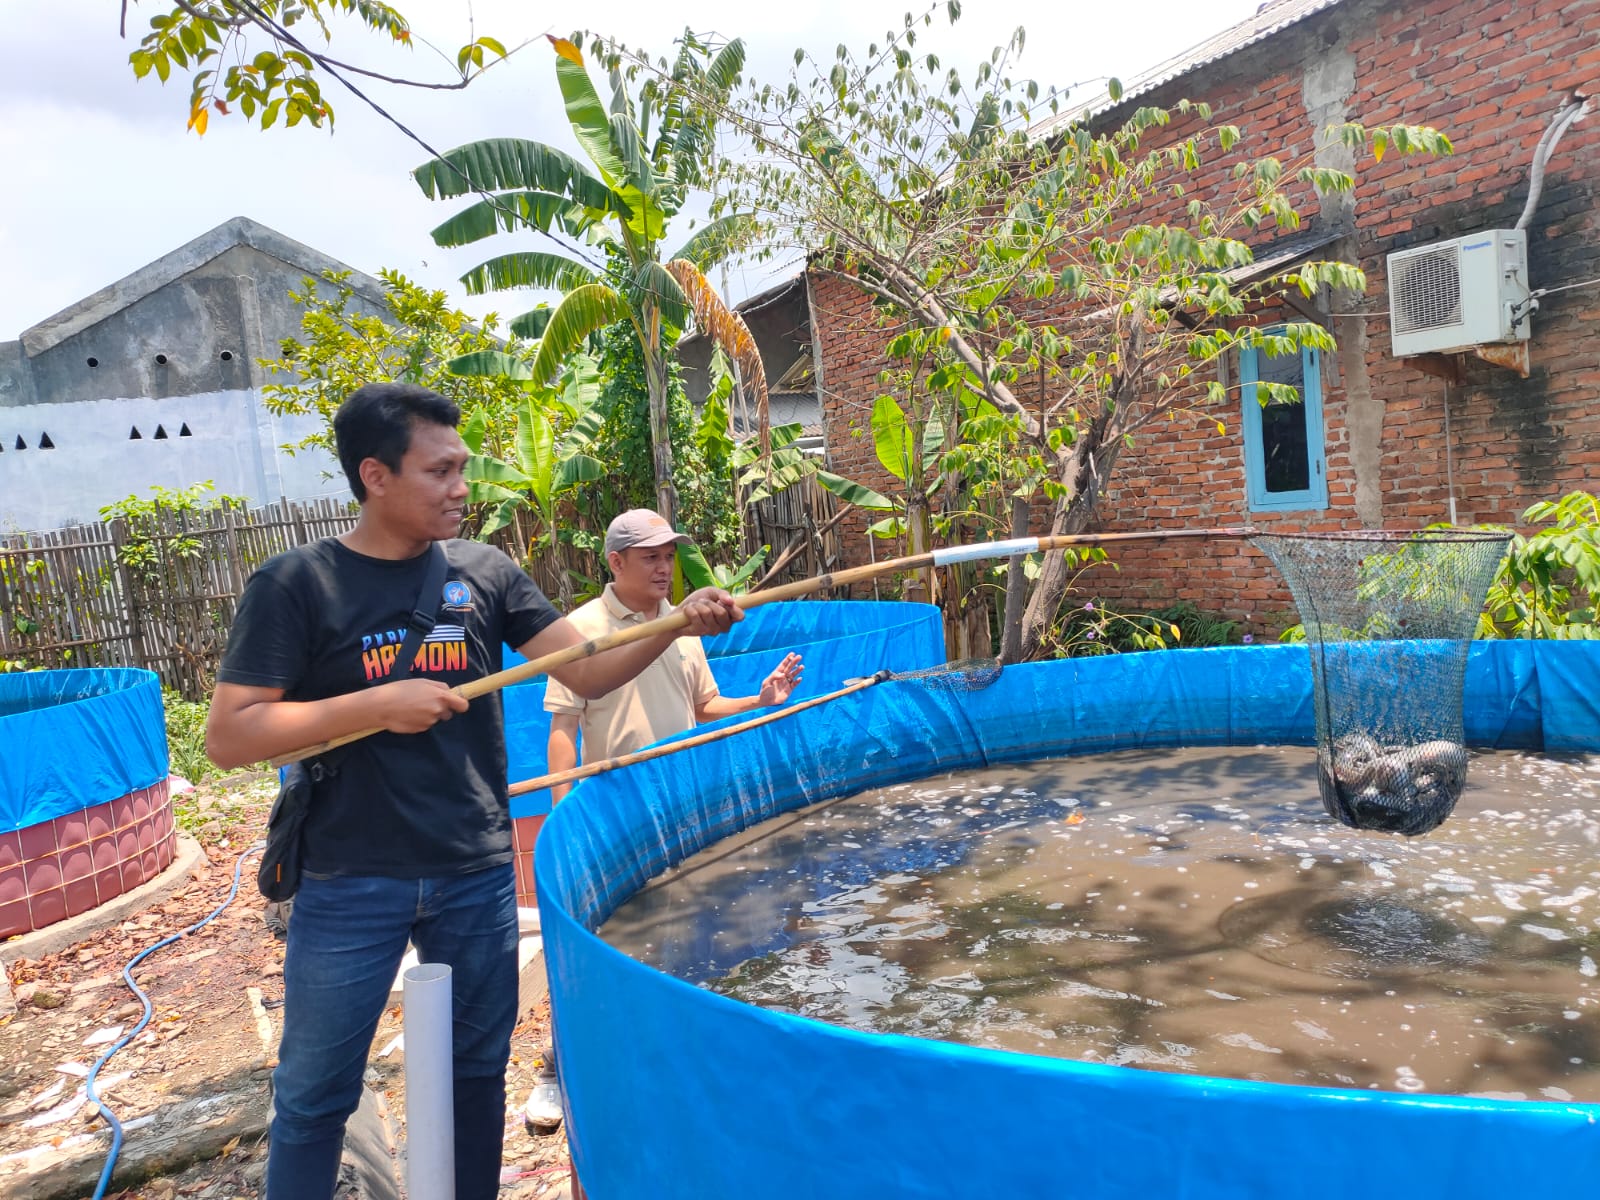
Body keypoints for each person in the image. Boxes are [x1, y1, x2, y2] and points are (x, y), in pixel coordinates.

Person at [205, 383, 741, 1200]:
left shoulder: (484, 572)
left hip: (474, 869)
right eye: (442, 470)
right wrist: (378, 704)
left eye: (463, 468)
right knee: (315, 1092)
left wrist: (675, 622)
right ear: (375, 476)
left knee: (473, 1073)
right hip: (350, 876)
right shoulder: (298, 585)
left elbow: (588, 670)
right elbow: (232, 734)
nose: (463, 486)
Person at [543, 509, 804, 802]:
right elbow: (563, 727)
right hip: (619, 799)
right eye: (651, 557)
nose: (665, 568)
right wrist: (561, 811)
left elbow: (703, 705)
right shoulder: (580, 629)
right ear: (617, 562)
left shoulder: (684, 623)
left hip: (685, 791)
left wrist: (759, 701)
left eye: (669, 556)